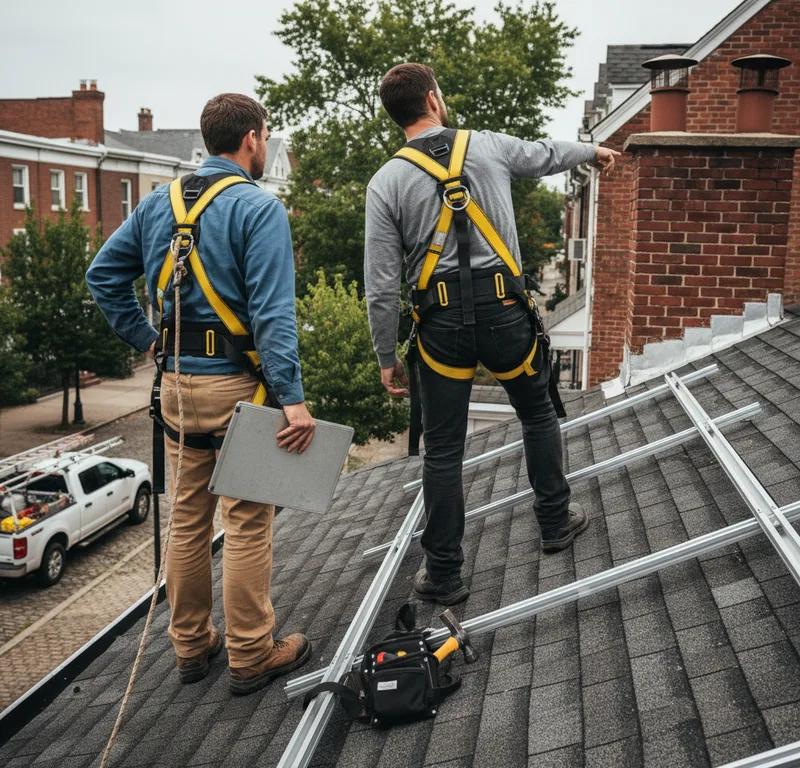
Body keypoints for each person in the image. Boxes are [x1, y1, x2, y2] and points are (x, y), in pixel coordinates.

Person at [365, 63, 620, 605]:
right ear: (433, 101)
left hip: (441, 329)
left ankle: (445, 573)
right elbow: (545, 153)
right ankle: (554, 522)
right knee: (537, 412)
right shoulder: (487, 147)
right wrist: (591, 152)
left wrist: (386, 353)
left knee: (443, 450)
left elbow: (382, 287)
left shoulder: (386, 182)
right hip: (506, 314)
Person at [86, 93, 315, 694]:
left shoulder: (160, 203)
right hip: (238, 387)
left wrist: (148, 341)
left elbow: (103, 276)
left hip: (177, 390)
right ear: (251, 141)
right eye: (264, 137)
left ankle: (191, 646)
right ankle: (250, 652)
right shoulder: (257, 209)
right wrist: (291, 397)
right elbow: (272, 314)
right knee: (245, 520)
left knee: (187, 518)